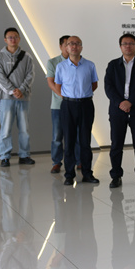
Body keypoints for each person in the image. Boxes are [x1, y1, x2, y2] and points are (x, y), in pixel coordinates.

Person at [104, 34, 135, 189]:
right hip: (117, 110)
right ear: (120, 47)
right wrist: (120, 103)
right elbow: (108, 87)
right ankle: (116, 176)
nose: (128, 46)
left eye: (131, 43)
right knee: (116, 144)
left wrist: (130, 102)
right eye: (125, 43)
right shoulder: (112, 65)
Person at [54, 36, 99, 185]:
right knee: (69, 141)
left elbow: (94, 84)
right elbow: (58, 86)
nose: (74, 46)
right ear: (66, 47)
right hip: (68, 106)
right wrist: (71, 97)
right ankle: (69, 175)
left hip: (86, 105)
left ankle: (87, 173)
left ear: (81, 47)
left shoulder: (90, 65)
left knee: (85, 141)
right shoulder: (61, 66)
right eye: (71, 44)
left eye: (77, 44)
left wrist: (82, 95)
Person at [0, 27, 35, 167]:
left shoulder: (27, 56)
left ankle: (24, 155)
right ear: (5, 39)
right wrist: (12, 91)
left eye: (15, 37)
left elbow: (30, 75)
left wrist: (21, 90)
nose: (13, 39)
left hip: (23, 98)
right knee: (5, 129)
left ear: (19, 39)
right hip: (6, 98)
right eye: (10, 37)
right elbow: (0, 77)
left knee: (24, 128)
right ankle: (4, 156)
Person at [46, 35, 79, 174]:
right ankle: (56, 162)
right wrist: (63, 95)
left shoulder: (79, 61)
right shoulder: (53, 62)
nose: (69, 47)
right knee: (57, 136)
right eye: (66, 44)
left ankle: (79, 161)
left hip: (76, 104)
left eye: (72, 44)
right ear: (61, 47)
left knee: (77, 134)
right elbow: (51, 82)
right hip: (58, 105)